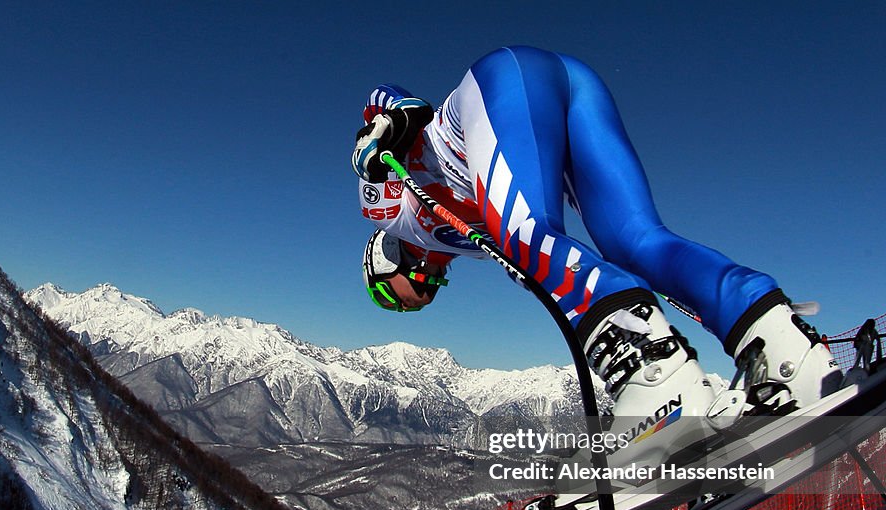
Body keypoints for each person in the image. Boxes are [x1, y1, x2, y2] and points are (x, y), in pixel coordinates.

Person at [353, 46, 841, 460]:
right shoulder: (471, 243)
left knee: (529, 238)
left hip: (502, 84)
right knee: (636, 241)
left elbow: (389, 100)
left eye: (388, 298)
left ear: (386, 261)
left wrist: (382, 127)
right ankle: (778, 342)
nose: (412, 301)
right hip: (573, 89)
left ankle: (653, 375)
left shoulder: (390, 213)